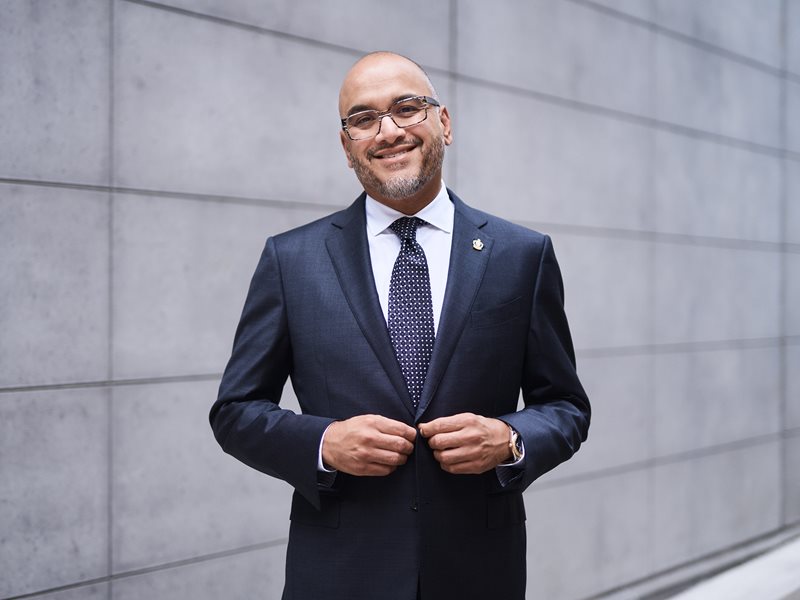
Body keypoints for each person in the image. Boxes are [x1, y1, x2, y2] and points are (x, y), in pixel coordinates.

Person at [210, 51, 590, 600]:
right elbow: (235, 411)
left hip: (479, 573)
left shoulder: (520, 255)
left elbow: (566, 407)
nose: (388, 131)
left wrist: (510, 439)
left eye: (407, 108)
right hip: (340, 574)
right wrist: (323, 443)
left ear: (445, 123)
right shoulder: (291, 260)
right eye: (363, 119)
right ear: (347, 147)